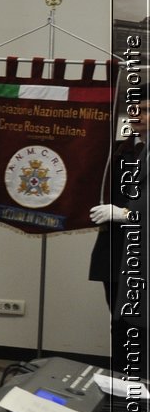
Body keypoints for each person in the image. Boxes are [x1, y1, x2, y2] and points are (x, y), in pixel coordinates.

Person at [90, 98, 147, 381]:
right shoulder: (117, 148)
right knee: (118, 319)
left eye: (146, 110)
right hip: (113, 249)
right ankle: (120, 382)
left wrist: (123, 213)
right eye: (135, 109)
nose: (138, 115)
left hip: (142, 249)